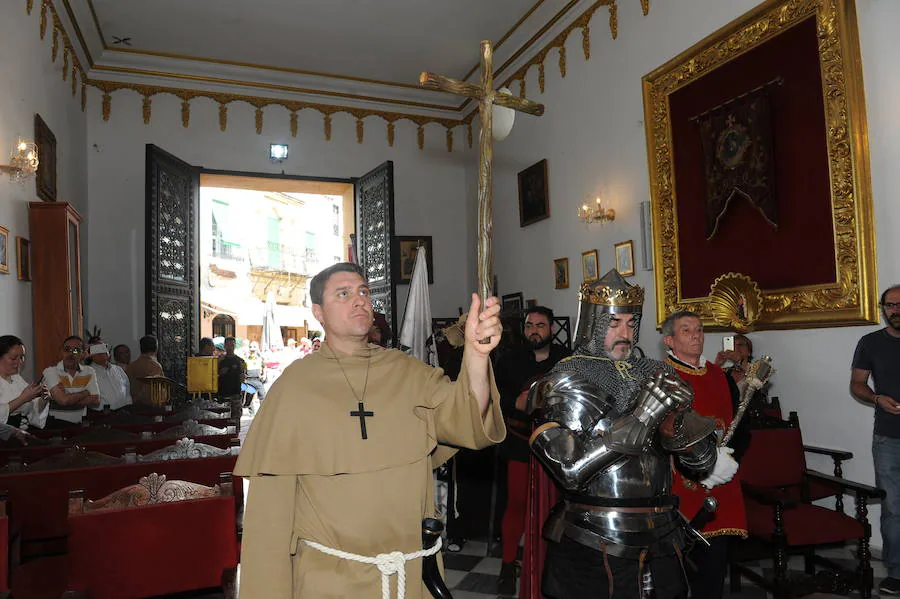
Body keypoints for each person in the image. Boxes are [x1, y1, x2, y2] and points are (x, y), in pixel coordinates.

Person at [234, 262, 506, 598]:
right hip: (330, 583)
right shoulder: (293, 389)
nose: (360, 300)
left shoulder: (408, 372)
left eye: (364, 291)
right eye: (344, 294)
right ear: (318, 312)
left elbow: (467, 417)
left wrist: (477, 357)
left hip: (409, 577)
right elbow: (268, 525)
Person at [524, 269, 736, 599]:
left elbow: (700, 463)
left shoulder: (654, 371)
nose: (625, 332)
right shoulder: (566, 380)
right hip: (594, 534)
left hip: (664, 531)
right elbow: (569, 471)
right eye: (613, 323)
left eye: (630, 323)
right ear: (592, 324)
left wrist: (678, 424)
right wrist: (644, 415)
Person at [662, 311, 749, 599]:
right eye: (686, 330)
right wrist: (699, 466)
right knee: (675, 568)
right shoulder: (661, 377)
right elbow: (657, 435)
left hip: (720, 481)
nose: (696, 335)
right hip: (677, 485)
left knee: (714, 567)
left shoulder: (718, 375)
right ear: (669, 340)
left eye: (699, 330)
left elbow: (738, 426)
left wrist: (729, 457)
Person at [494, 306, 570, 595]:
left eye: (540, 325)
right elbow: (494, 397)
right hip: (518, 442)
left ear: (551, 329)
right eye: (529, 325)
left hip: (559, 447)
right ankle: (507, 565)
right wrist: (515, 401)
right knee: (516, 504)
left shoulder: (567, 360)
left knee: (557, 508)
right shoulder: (508, 361)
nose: (534, 330)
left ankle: (552, 565)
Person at [851, 284, 900, 595]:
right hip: (888, 439)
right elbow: (857, 384)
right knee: (894, 507)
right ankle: (896, 571)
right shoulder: (869, 342)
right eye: (891, 306)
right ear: (884, 310)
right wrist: (876, 398)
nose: (896, 310)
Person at [43, 335, 100, 425]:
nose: (70, 354)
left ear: (83, 354)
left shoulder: (89, 371)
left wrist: (64, 399)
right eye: (67, 350)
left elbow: (96, 400)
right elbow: (63, 400)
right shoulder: (50, 372)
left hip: (80, 424)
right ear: (61, 352)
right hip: (55, 425)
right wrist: (86, 392)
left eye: (76, 350)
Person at [0, 335, 48, 433]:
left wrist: (44, 398)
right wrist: (23, 398)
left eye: (22, 357)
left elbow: (33, 409)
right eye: (13, 358)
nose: (19, 362)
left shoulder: (17, 378)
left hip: (23, 431)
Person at [88, 341, 132, 411]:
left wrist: (129, 407)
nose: (103, 352)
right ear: (91, 355)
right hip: (101, 415)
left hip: (124, 413)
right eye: (98, 349)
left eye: (104, 348)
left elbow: (127, 391)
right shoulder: (88, 373)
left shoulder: (118, 370)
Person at [126, 335, 164, 406]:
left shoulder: (131, 366)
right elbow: (154, 389)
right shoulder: (155, 366)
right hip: (150, 407)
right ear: (156, 348)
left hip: (133, 406)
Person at [218, 336, 246, 401]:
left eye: (232, 345)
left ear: (235, 346)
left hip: (235, 393)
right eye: (228, 345)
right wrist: (219, 372)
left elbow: (243, 378)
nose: (230, 347)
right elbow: (212, 375)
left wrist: (243, 375)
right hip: (222, 393)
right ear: (224, 346)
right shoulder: (219, 360)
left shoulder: (240, 361)